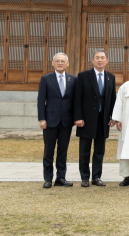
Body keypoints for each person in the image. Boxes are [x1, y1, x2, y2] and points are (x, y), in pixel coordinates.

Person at [74, 49, 116, 187]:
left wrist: (113, 117)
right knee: (84, 150)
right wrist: (78, 117)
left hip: (103, 120)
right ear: (92, 60)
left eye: (102, 58)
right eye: (97, 58)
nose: (100, 60)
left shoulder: (110, 77)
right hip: (86, 120)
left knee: (99, 150)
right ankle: (85, 177)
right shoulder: (83, 76)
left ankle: (96, 177)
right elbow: (77, 98)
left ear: (106, 60)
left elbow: (112, 99)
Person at [37, 53, 77, 189]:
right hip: (50, 120)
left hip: (66, 121)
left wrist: (76, 118)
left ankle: (61, 178)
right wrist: (42, 118)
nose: (60, 63)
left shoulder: (73, 79)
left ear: (67, 63)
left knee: (63, 151)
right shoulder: (46, 79)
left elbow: (75, 102)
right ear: (52, 63)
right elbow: (41, 100)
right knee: (48, 151)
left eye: (63, 61)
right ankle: (48, 178)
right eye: (57, 61)